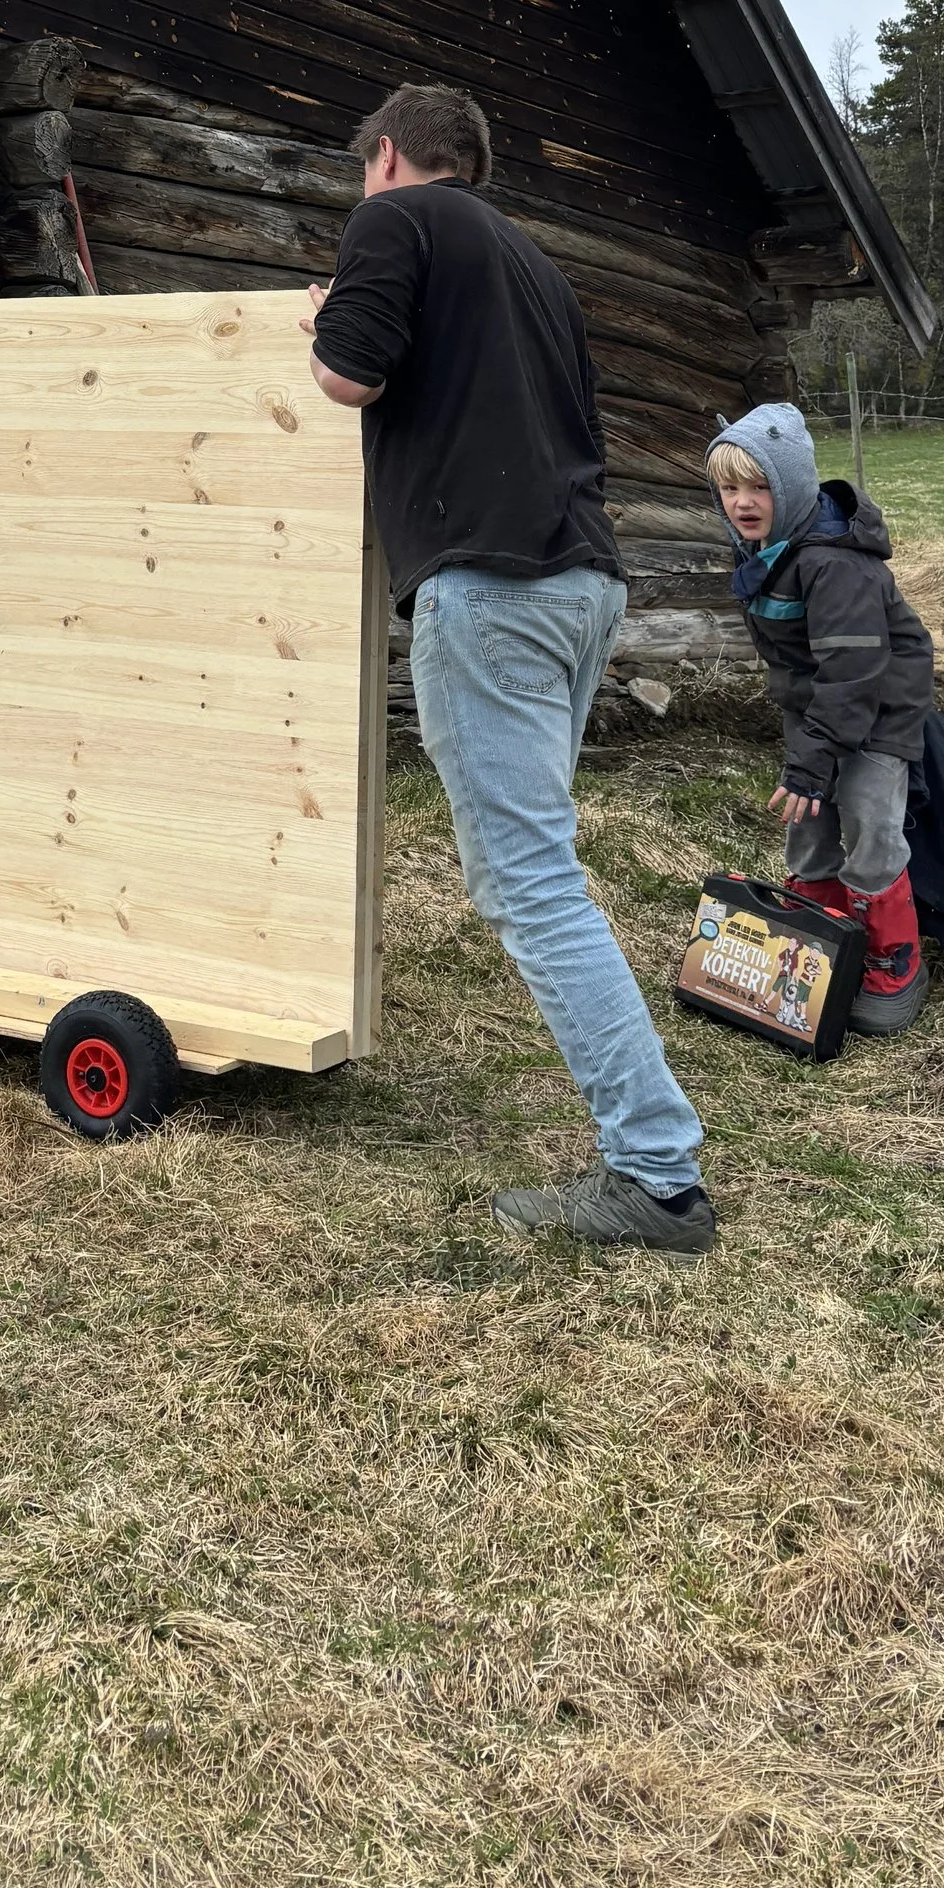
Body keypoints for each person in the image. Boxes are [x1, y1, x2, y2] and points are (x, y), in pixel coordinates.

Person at [304, 81, 716, 1257]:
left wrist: (332, 324)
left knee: (531, 885)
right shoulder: (529, 262)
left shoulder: (397, 222)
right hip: (580, 581)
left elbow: (350, 378)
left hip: (490, 591)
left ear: (386, 156)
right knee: (545, 871)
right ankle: (654, 1163)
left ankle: (656, 1177)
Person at [704, 402, 933, 1035]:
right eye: (729, 487)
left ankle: (894, 957)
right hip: (817, 704)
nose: (743, 502)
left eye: (760, 487)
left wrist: (814, 761)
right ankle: (817, 929)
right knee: (808, 822)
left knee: (868, 820)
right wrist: (809, 762)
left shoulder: (836, 563)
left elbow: (854, 672)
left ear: (794, 488)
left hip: (878, 705)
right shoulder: (764, 549)